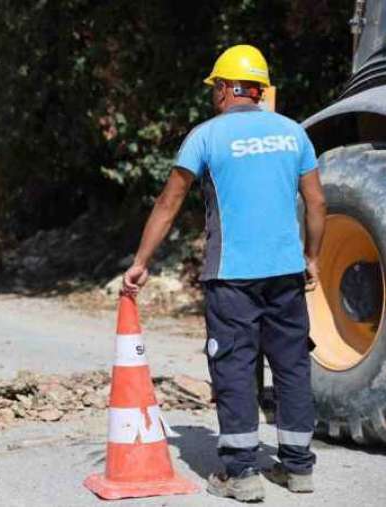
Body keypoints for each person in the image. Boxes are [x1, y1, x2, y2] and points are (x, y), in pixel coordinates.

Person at [122, 45, 327, 502]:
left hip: (232, 275)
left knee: (234, 365)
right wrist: (311, 257)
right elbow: (316, 202)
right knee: (292, 365)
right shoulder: (294, 134)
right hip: (286, 274)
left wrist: (141, 261)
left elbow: (169, 202)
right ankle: (298, 469)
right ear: (258, 90)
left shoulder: (206, 136)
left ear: (222, 89)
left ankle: (241, 474)